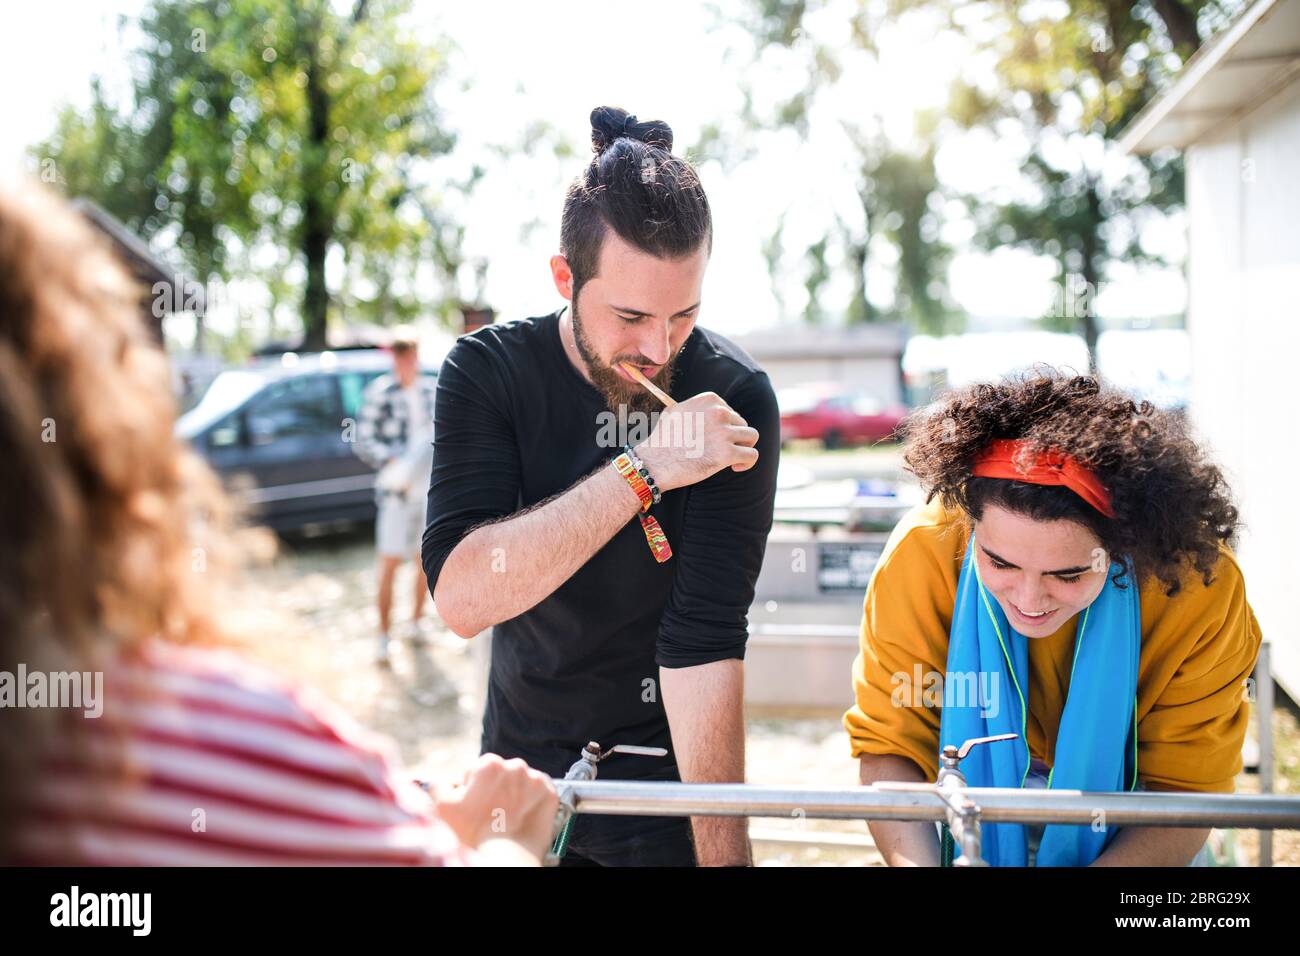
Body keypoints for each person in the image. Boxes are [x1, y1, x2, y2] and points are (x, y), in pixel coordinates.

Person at [0, 179, 556, 867]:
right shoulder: (234, 746)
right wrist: (501, 845)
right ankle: (389, 632)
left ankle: (405, 627)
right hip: (392, 494)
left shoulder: (436, 391)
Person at [422, 106, 781, 866]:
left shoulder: (733, 398)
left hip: (667, 792)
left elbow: (705, 644)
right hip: (518, 781)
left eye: (684, 314)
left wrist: (727, 859)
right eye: (631, 316)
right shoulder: (488, 373)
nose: (657, 348)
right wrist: (644, 470)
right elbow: (461, 598)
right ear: (564, 277)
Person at [844, 372, 1263, 866]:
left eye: (1068, 574)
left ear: (1125, 546)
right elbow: (890, 748)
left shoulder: (1197, 585)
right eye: (999, 563)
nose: (1029, 599)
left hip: (1138, 819)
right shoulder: (922, 552)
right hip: (958, 814)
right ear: (971, 522)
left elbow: (1186, 794)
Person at [354, 328, 440, 665]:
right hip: (395, 491)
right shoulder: (380, 393)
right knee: (388, 562)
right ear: (394, 358)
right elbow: (363, 439)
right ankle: (383, 636)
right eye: (401, 356)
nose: (407, 362)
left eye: (411, 356)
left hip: (427, 490)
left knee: (424, 561)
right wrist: (391, 460)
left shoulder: (432, 390)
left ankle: (416, 624)